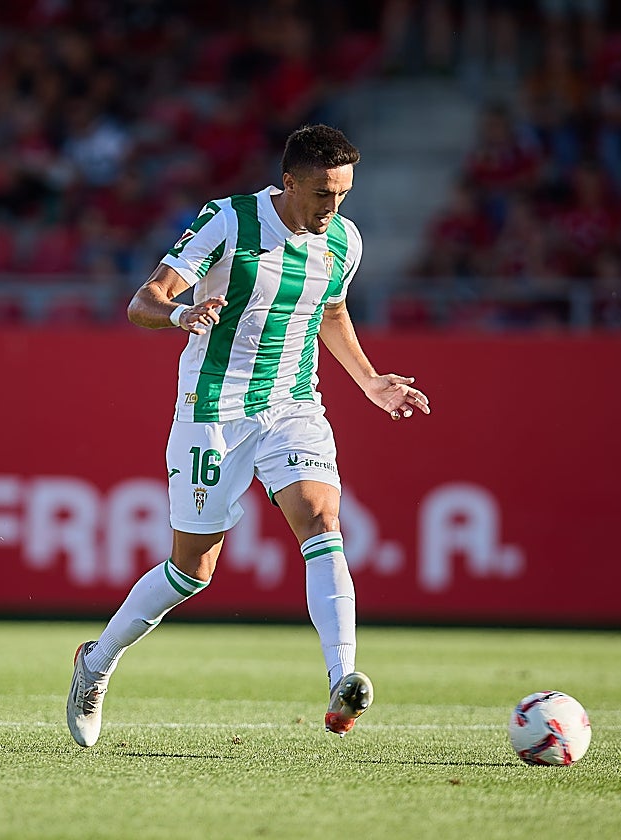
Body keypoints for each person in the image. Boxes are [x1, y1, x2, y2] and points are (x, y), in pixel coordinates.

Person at [66, 124, 430, 748]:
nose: (332, 207)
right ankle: (95, 664)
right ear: (288, 183)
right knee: (192, 569)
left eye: (342, 193)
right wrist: (181, 314)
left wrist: (369, 382)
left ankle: (344, 678)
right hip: (213, 410)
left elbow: (330, 310)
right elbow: (144, 300)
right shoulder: (229, 221)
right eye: (321, 193)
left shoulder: (343, 240)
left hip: (292, 404)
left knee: (321, 520)